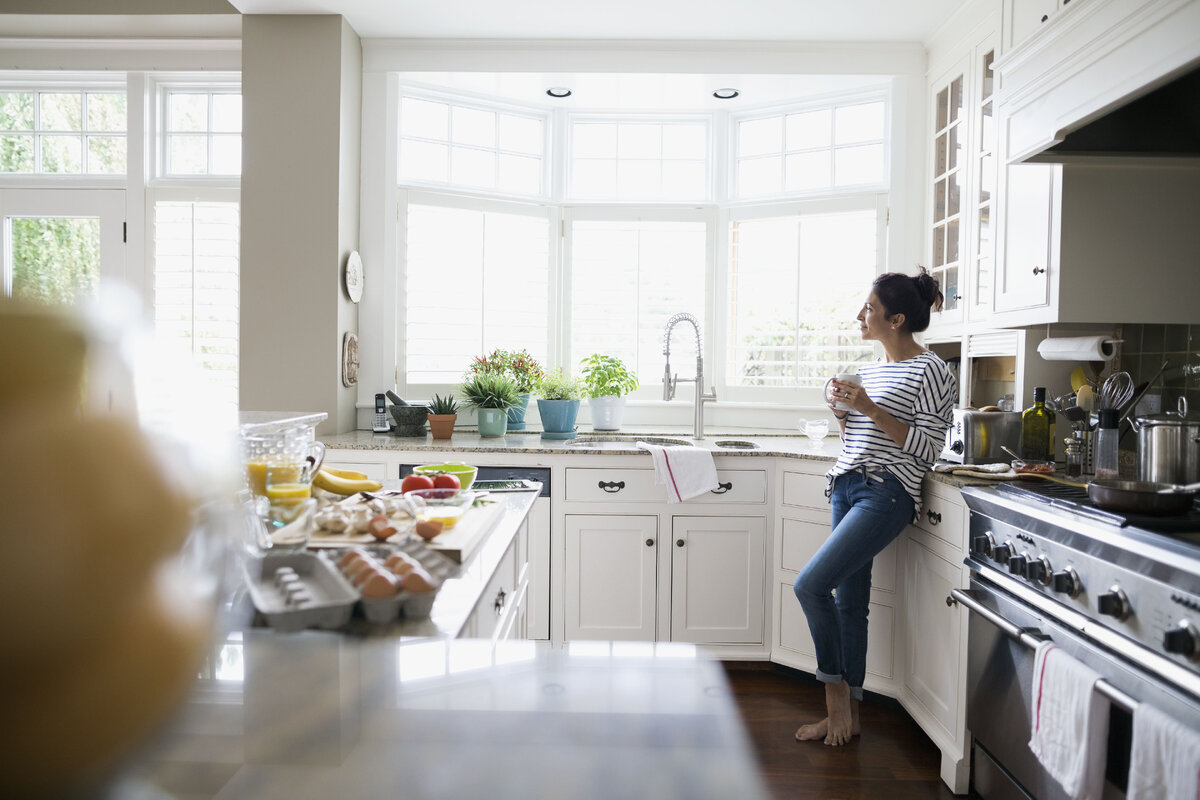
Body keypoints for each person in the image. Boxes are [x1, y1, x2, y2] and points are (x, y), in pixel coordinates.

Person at [792, 267, 956, 746]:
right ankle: (853, 714)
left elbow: (927, 449)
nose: (859, 315)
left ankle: (836, 699)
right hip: (846, 485)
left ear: (897, 319)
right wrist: (844, 414)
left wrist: (868, 408)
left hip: (887, 493)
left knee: (810, 586)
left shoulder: (932, 370)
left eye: (869, 308)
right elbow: (860, 441)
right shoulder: (870, 369)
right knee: (850, 605)